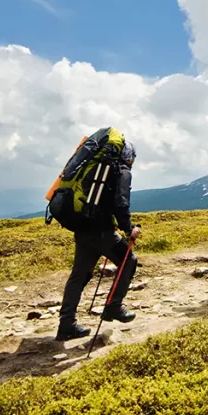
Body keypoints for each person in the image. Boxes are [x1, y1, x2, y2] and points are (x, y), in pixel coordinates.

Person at [56, 141, 141, 341]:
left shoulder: (94, 167)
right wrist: (130, 229)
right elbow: (121, 202)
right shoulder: (121, 170)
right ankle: (113, 306)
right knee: (129, 260)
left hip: (82, 229)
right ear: (129, 156)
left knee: (79, 276)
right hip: (102, 231)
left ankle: (66, 324)